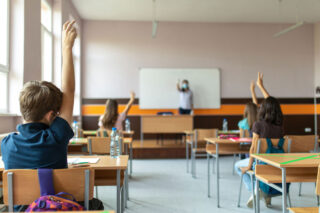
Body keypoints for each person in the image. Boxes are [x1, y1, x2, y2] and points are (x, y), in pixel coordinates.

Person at [235, 73, 281, 208]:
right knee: (259, 169)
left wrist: (249, 166)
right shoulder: (280, 125)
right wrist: (261, 87)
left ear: (262, 110)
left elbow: (253, 149)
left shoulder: (258, 125)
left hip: (260, 163)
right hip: (277, 163)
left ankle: (256, 191)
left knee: (237, 166)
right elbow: (273, 104)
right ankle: (262, 192)